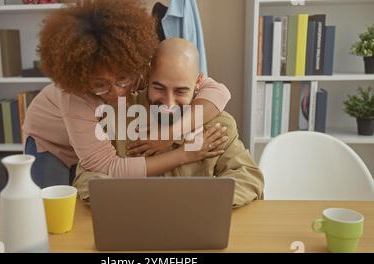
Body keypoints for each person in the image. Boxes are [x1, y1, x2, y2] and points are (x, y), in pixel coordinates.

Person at [22, 0, 232, 188]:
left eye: (123, 79)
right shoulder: (75, 96)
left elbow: (218, 91)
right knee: (49, 214)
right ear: (83, 81)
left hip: (94, 146)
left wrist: (171, 133)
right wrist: (184, 155)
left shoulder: (140, 67)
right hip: (53, 144)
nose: (118, 91)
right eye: (100, 85)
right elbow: (109, 167)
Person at [74, 38, 264, 208]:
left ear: (198, 82)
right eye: (159, 88)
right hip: (132, 218)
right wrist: (131, 200)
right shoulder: (115, 116)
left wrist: (200, 202)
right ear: (148, 76)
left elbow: (248, 177)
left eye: (181, 91)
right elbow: (86, 178)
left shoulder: (217, 124)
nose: (168, 103)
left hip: (193, 222)